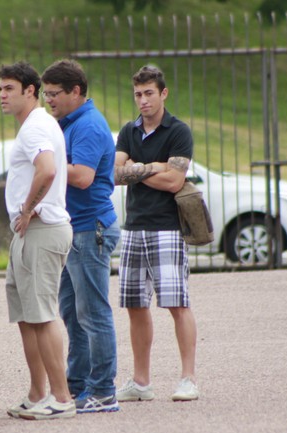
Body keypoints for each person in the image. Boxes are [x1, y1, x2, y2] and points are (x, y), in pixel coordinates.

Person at [113, 65, 200, 402]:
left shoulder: (178, 131)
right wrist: (157, 167)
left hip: (167, 227)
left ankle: (188, 378)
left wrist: (136, 168)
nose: (143, 100)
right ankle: (140, 381)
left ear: (163, 93)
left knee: (177, 303)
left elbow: (175, 181)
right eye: (138, 94)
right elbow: (115, 174)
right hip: (134, 227)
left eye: (149, 93)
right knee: (135, 305)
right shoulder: (128, 130)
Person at [40, 59, 120, 413]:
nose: (48, 101)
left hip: (90, 228)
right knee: (73, 313)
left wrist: (45, 164)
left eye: (54, 94)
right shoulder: (68, 123)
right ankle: (78, 386)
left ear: (76, 92)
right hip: (76, 228)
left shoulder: (87, 125)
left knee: (93, 313)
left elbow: (84, 176)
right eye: (45, 94)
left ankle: (103, 391)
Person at [0, 61, 75, 420]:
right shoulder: (35, 125)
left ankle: (61, 398)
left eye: (9, 88)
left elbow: (47, 169)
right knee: (28, 316)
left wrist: (27, 209)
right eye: (0, 88)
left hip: (41, 229)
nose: (2, 95)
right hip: (29, 231)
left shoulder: (36, 128)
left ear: (31, 90)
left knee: (43, 316)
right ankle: (37, 393)